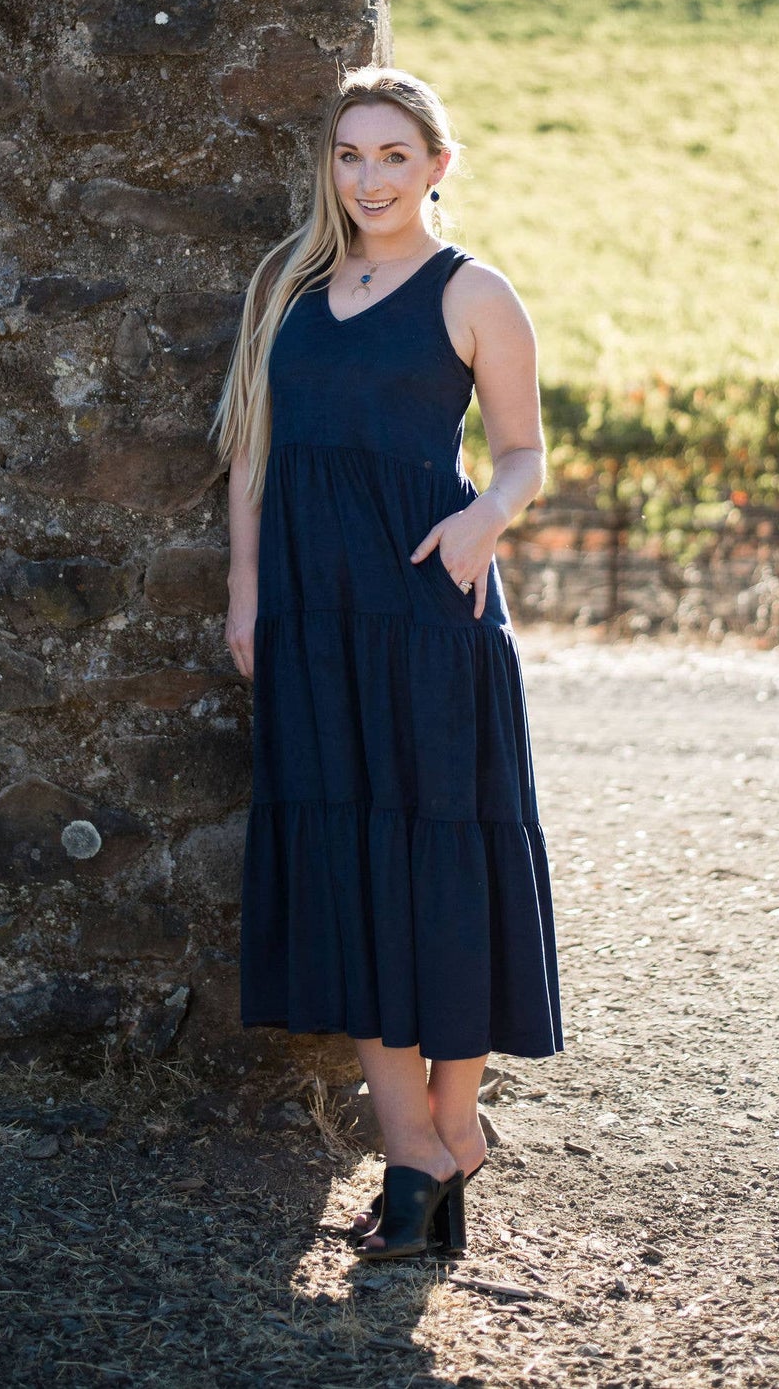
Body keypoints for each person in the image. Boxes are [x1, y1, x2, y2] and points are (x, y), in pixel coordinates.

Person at [212, 64, 562, 1262]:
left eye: (393, 156)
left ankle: (448, 1128)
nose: (368, 178)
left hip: (429, 607)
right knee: (345, 855)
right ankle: (410, 1137)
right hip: (311, 612)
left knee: (441, 855)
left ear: (435, 166)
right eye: (349, 156)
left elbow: (521, 452)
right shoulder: (287, 288)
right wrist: (246, 590)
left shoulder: (473, 292)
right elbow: (251, 454)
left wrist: (483, 519)